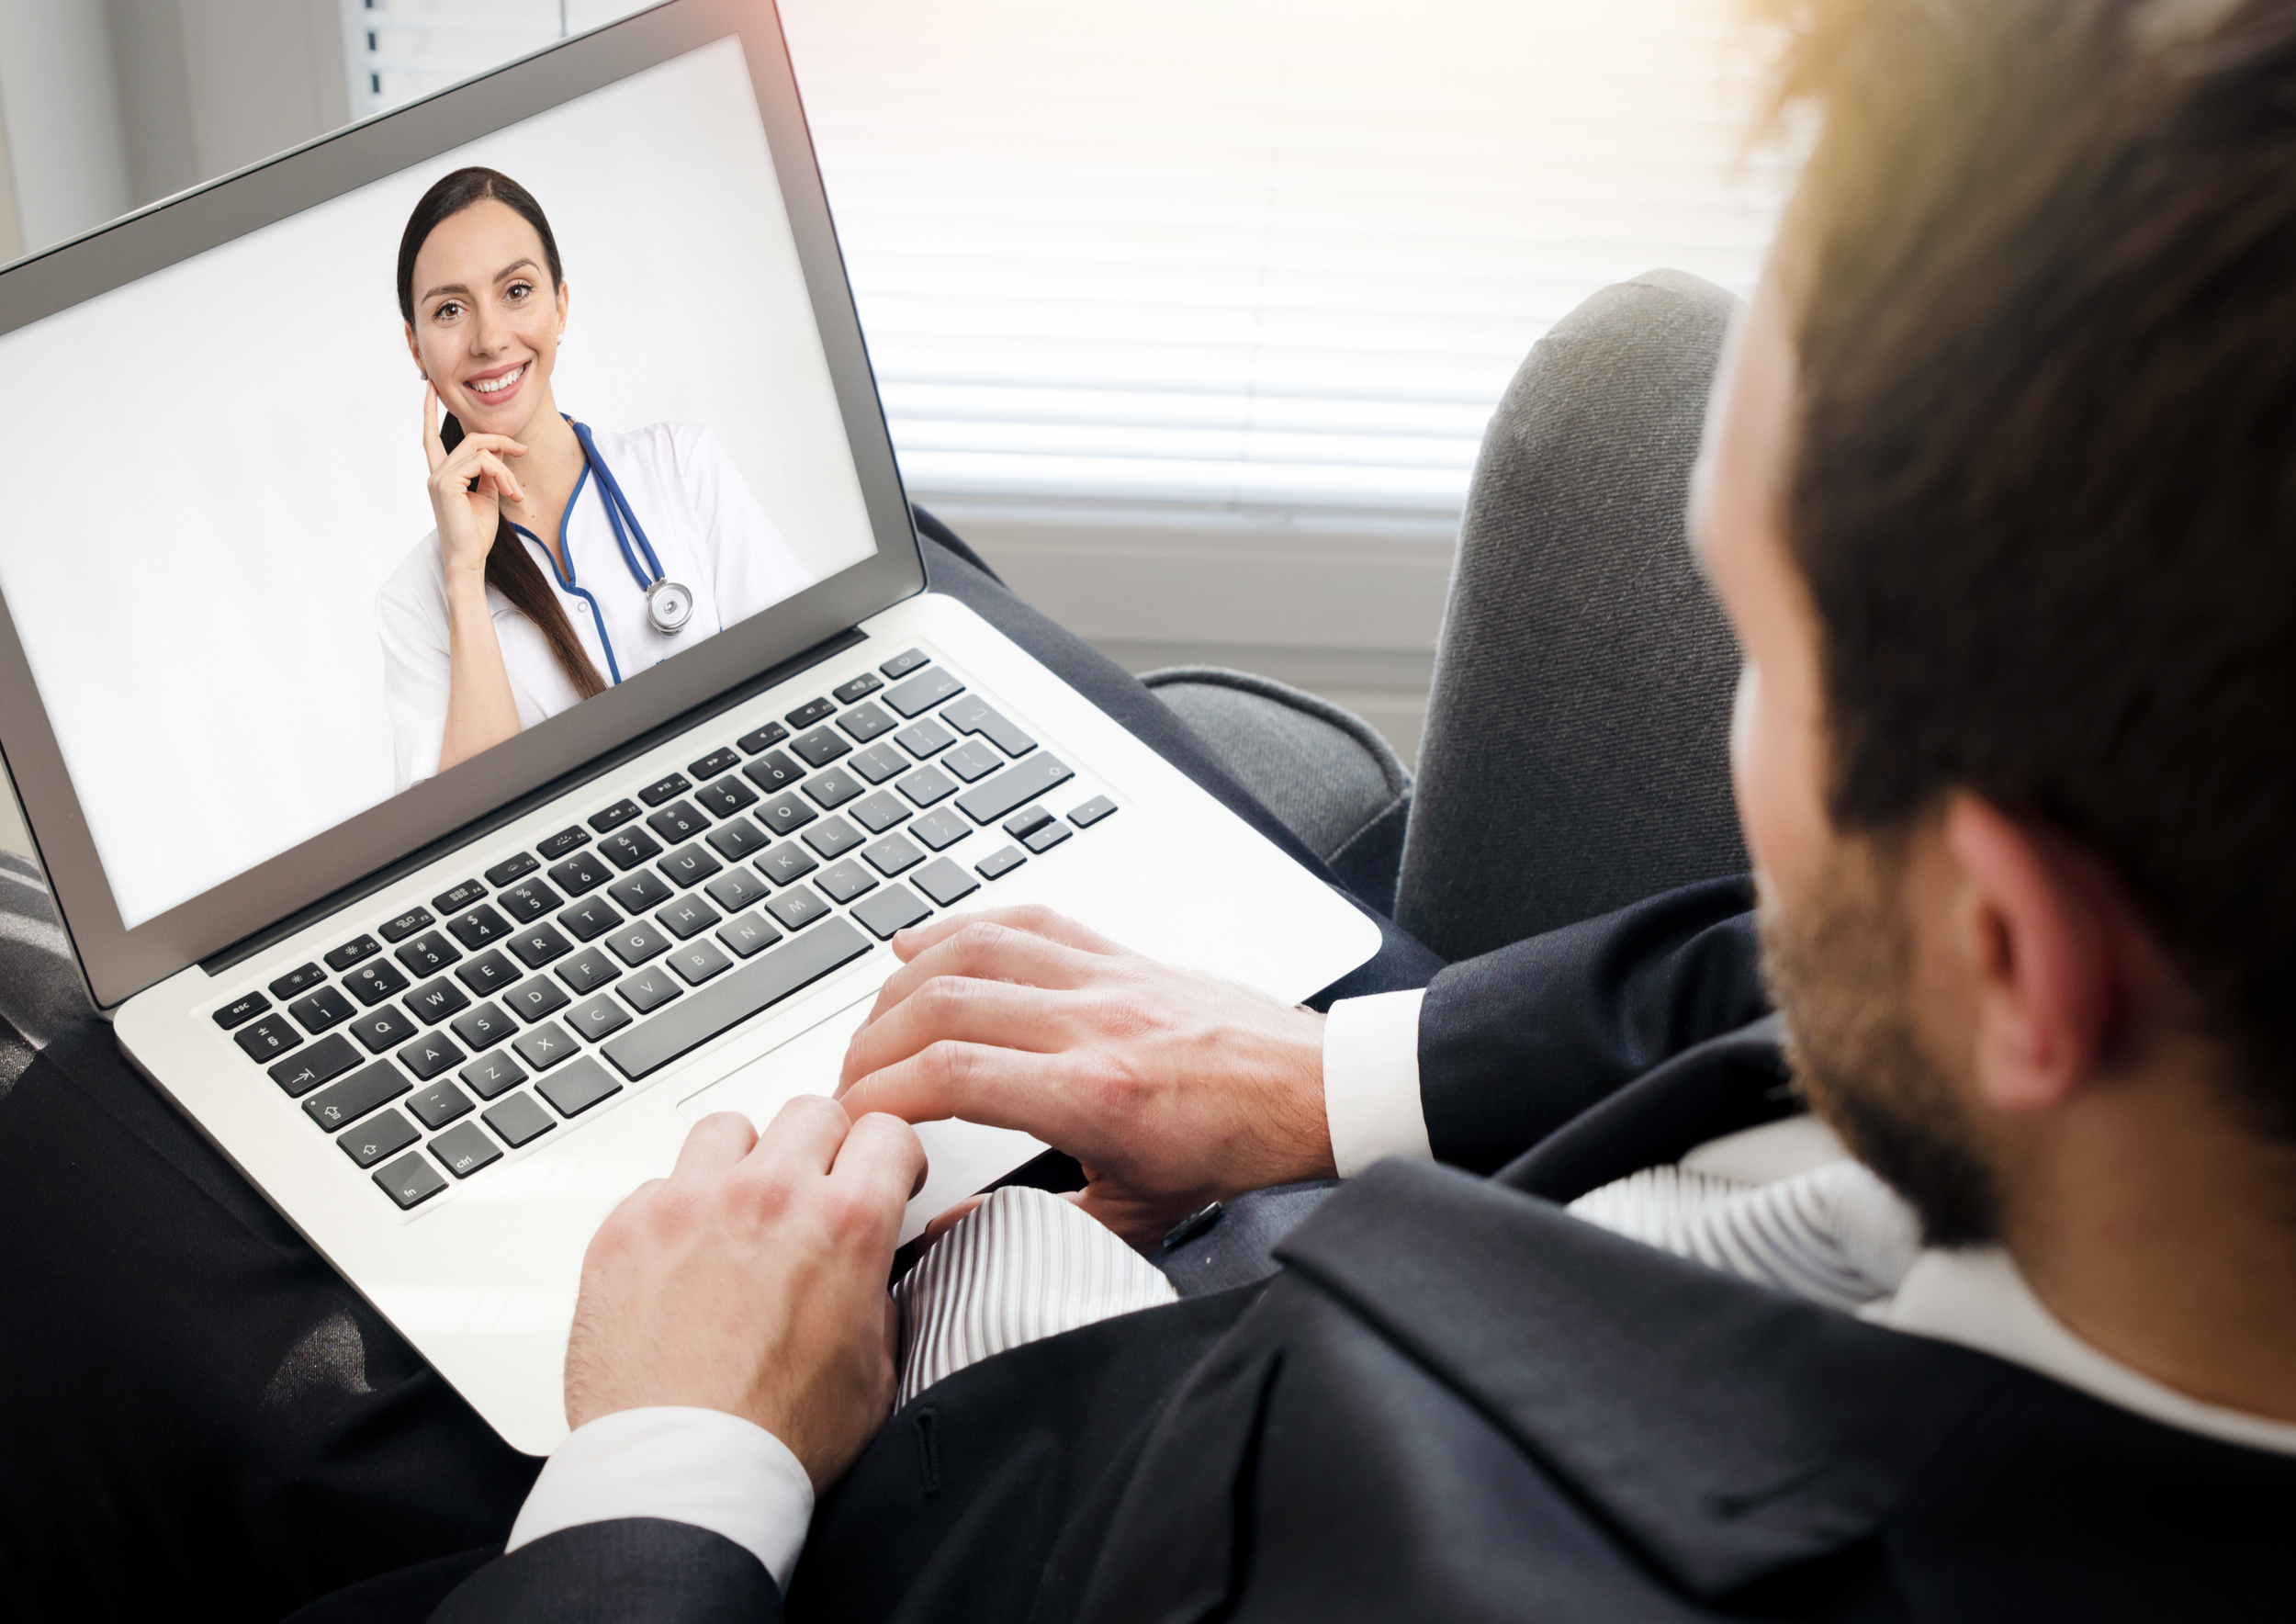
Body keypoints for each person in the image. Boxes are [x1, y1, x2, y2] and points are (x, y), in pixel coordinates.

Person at [0, 0, 2290, 1617]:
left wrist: (668, 1461)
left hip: (889, 1502)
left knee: (93, 1184)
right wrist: (1328, 1068)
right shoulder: (2153, 1003)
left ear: (2009, 950)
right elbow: (1770, 993)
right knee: (902, 594)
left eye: (1760, 650)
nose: (1736, 733)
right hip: (1338, 1184)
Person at [374, 167, 814, 793]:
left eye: (517, 291)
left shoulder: (681, 467)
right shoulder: (416, 603)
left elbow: (811, 683)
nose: (491, 338)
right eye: (450, 309)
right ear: (417, 349)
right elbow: (469, 839)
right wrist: (465, 576)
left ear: (561, 306)